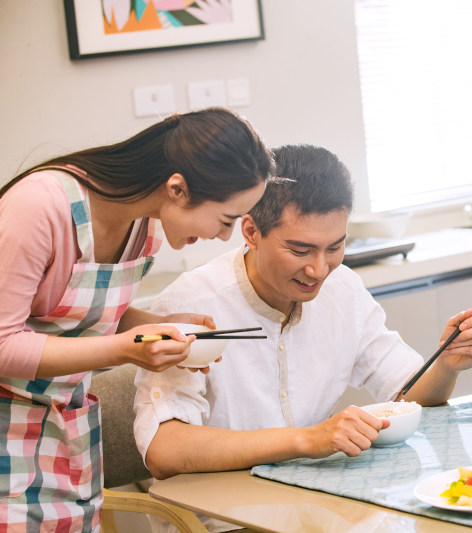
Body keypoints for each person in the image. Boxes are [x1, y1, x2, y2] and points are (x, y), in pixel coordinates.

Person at [132, 143, 472, 531]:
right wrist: (304, 440)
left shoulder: (344, 290)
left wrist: (446, 365)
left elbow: (408, 395)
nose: (319, 269)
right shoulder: (192, 304)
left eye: (335, 247)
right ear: (251, 232)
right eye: (300, 249)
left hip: (321, 511)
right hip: (227, 522)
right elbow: (163, 450)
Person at [0, 107, 272, 532]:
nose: (225, 236)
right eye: (226, 219)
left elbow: (75, 310)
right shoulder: (41, 206)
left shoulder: (142, 227)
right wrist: (126, 349)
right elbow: (4, 343)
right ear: (178, 189)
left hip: (62, 430)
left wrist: (160, 325)